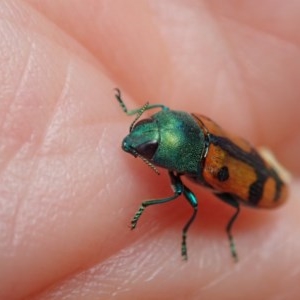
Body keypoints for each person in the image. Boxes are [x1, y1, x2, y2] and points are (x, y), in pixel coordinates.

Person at [0, 1, 299, 299]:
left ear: (173, 157)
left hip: (260, 185)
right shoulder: (190, 126)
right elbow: (161, 113)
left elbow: (187, 197)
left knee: (209, 205)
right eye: (149, 125)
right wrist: (134, 113)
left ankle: (223, 231)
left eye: (151, 148)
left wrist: (146, 208)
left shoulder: (203, 162)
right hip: (226, 150)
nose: (133, 145)